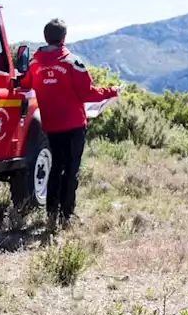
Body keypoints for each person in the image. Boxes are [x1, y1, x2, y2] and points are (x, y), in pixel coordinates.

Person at [18, 18, 119, 231]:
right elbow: (87, 93)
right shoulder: (72, 62)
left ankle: (51, 214)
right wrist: (112, 91)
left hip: (51, 126)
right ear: (64, 37)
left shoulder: (35, 63)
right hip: (73, 125)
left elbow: (26, 83)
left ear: (46, 37)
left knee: (56, 168)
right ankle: (66, 216)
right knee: (71, 170)